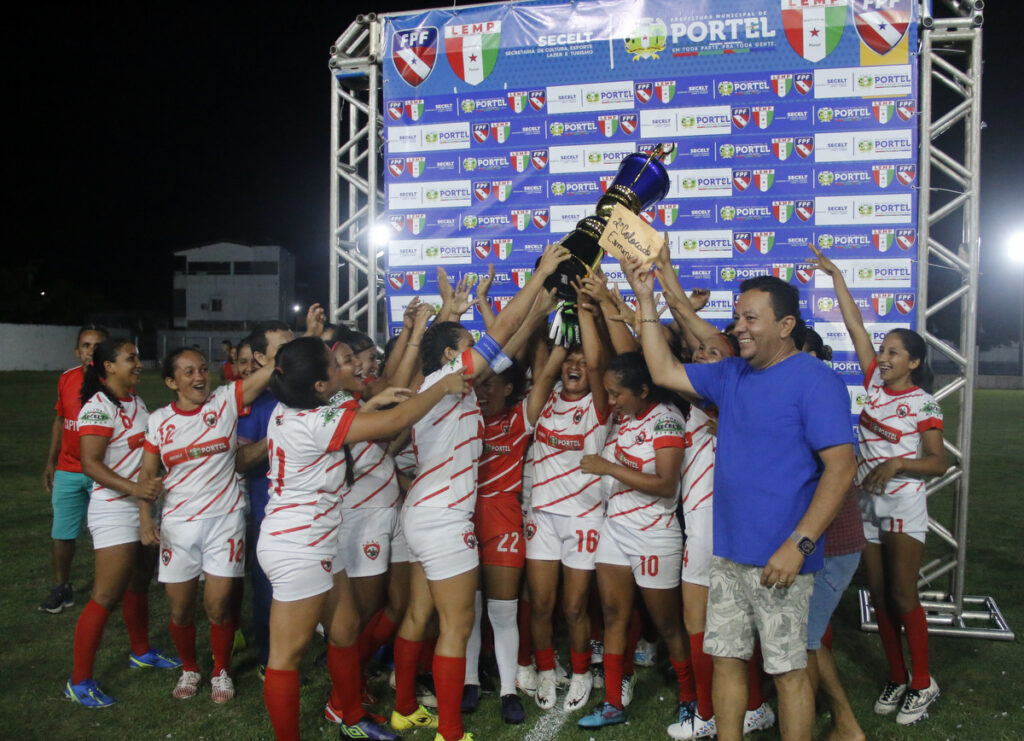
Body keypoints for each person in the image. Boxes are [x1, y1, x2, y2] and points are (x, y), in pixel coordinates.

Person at [626, 258, 857, 741]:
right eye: (738, 317)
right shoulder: (731, 374)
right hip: (728, 556)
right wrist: (645, 299)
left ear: (786, 325)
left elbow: (841, 468)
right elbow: (663, 368)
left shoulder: (816, 381)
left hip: (783, 562)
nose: (739, 327)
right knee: (727, 661)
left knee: (789, 672)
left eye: (752, 318)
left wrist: (800, 545)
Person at [389, 243, 569, 741]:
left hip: (424, 513)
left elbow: (510, 338)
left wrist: (543, 301)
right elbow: (501, 331)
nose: (481, 352)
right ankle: (451, 732)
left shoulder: (445, 384)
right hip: (443, 519)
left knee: (422, 614)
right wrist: (539, 279)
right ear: (452, 354)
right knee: (456, 624)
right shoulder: (450, 377)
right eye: (469, 344)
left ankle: (404, 708)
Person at [259, 336, 468, 741]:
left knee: (345, 629)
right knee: (287, 655)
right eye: (333, 366)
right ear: (320, 385)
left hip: (318, 540)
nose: (344, 369)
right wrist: (441, 387)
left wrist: (370, 403)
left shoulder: (296, 408)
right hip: (297, 545)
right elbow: (393, 424)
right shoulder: (312, 421)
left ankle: (350, 717)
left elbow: (356, 416)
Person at [810, 246, 947, 726]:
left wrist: (897, 466)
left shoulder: (923, 402)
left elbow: (939, 462)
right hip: (864, 506)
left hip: (902, 506)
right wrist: (836, 276)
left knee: (904, 595)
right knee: (880, 595)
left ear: (912, 362)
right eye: (882, 350)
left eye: (893, 353)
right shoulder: (871, 381)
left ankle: (922, 681)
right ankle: (895, 675)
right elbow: (854, 327)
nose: (883, 357)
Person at [138, 346, 275, 702]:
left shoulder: (225, 400)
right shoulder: (158, 421)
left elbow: (266, 375)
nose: (199, 376)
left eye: (202, 368)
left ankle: (220, 671)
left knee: (218, 605)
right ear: (171, 381)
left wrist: (279, 354)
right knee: (181, 610)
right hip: (178, 525)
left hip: (224, 521)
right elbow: (147, 475)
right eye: (188, 372)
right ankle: (189, 667)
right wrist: (144, 519)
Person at [575, 352, 694, 730]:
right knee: (614, 616)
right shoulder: (624, 421)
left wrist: (608, 466)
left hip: (654, 536)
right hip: (615, 529)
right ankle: (613, 703)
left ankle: (692, 699)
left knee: (669, 623)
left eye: (618, 394)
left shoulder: (667, 420)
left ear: (643, 389)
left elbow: (665, 484)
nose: (612, 402)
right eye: (608, 394)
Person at [64, 339, 181, 707]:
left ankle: (141, 651)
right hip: (115, 507)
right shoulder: (98, 408)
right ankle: (79, 680)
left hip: (141, 505)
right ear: (108, 367)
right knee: (105, 595)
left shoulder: (135, 401)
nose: (139, 363)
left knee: (138, 583)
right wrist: (135, 489)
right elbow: (91, 464)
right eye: (130, 358)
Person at [524, 280, 612, 715]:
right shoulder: (544, 399)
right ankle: (545, 670)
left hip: (584, 518)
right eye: (569, 360)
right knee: (540, 604)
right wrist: (555, 308)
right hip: (542, 515)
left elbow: (596, 364)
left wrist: (586, 310)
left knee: (574, 607)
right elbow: (543, 363)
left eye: (581, 361)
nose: (574, 365)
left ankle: (580, 674)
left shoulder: (598, 406)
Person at [236, 320, 296, 676]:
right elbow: (240, 461)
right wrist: (278, 432)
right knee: (268, 591)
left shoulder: (306, 392)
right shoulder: (254, 404)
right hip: (269, 515)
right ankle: (269, 659)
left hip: (313, 516)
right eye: (281, 348)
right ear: (260, 358)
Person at [40, 324, 108, 613]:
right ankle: (61, 587)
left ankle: (107, 589)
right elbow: (60, 420)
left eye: (96, 345)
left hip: (104, 470)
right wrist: (50, 461)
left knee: (106, 533)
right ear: (77, 350)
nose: (90, 351)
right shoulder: (66, 379)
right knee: (62, 533)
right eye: (86, 345)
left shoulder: (113, 381)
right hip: (68, 469)